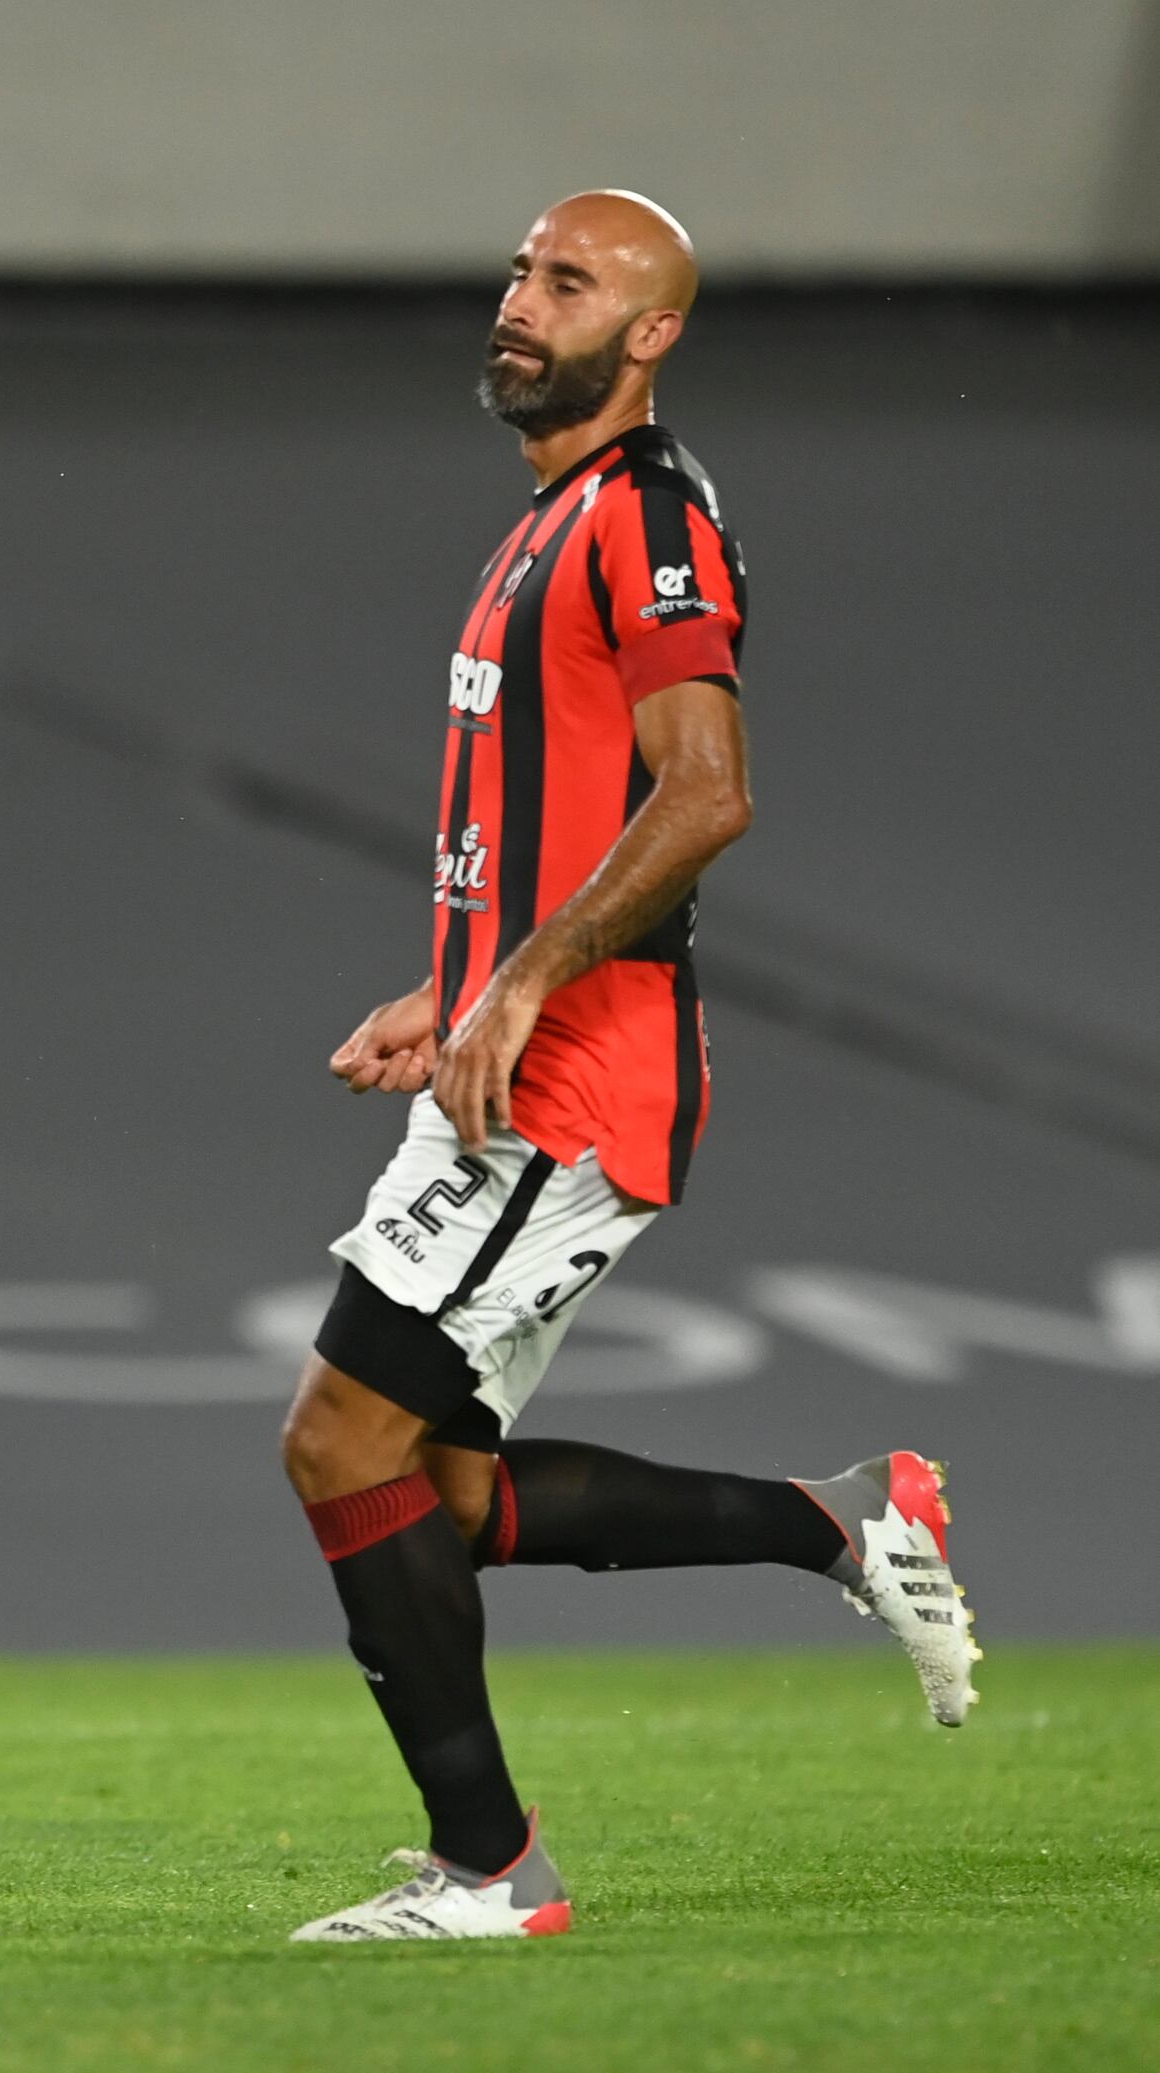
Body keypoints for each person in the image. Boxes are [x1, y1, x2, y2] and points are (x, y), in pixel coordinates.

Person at [277, 192, 982, 1944]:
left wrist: (517, 985)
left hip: (578, 1081)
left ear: (651, 334)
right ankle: (835, 1515)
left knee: (337, 1437)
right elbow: (558, 813)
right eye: (521, 269)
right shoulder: (555, 517)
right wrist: (451, 988)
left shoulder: (649, 517)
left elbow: (706, 790)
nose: (523, 302)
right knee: (420, 1485)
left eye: (570, 282)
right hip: (509, 1049)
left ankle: (492, 1868)